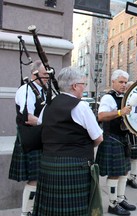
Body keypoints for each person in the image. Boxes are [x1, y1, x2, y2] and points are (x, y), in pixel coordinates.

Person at [32, 67, 103, 215]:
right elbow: (98, 138)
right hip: (76, 165)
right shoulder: (81, 106)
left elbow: (40, 127)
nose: (84, 87)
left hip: (48, 164)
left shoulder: (48, 105)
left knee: (51, 210)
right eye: (83, 83)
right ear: (75, 86)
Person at [8, 60, 48, 216]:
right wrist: (49, 124)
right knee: (34, 178)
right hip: (30, 139)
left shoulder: (43, 90)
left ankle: (35, 210)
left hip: (40, 138)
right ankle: (26, 212)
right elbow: (28, 118)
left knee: (40, 177)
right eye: (45, 75)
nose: (47, 78)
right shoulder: (26, 90)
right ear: (34, 74)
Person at [96, 69, 136, 216]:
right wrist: (120, 112)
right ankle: (112, 204)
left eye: (125, 82)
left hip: (123, 138)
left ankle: (120, 199)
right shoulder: (108, 98)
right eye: (121, 82)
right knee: (114, 173)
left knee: (124, 171)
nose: (124, 85)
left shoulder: (126, 97)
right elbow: (101, 116)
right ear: (113, 82)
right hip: (112, 138)